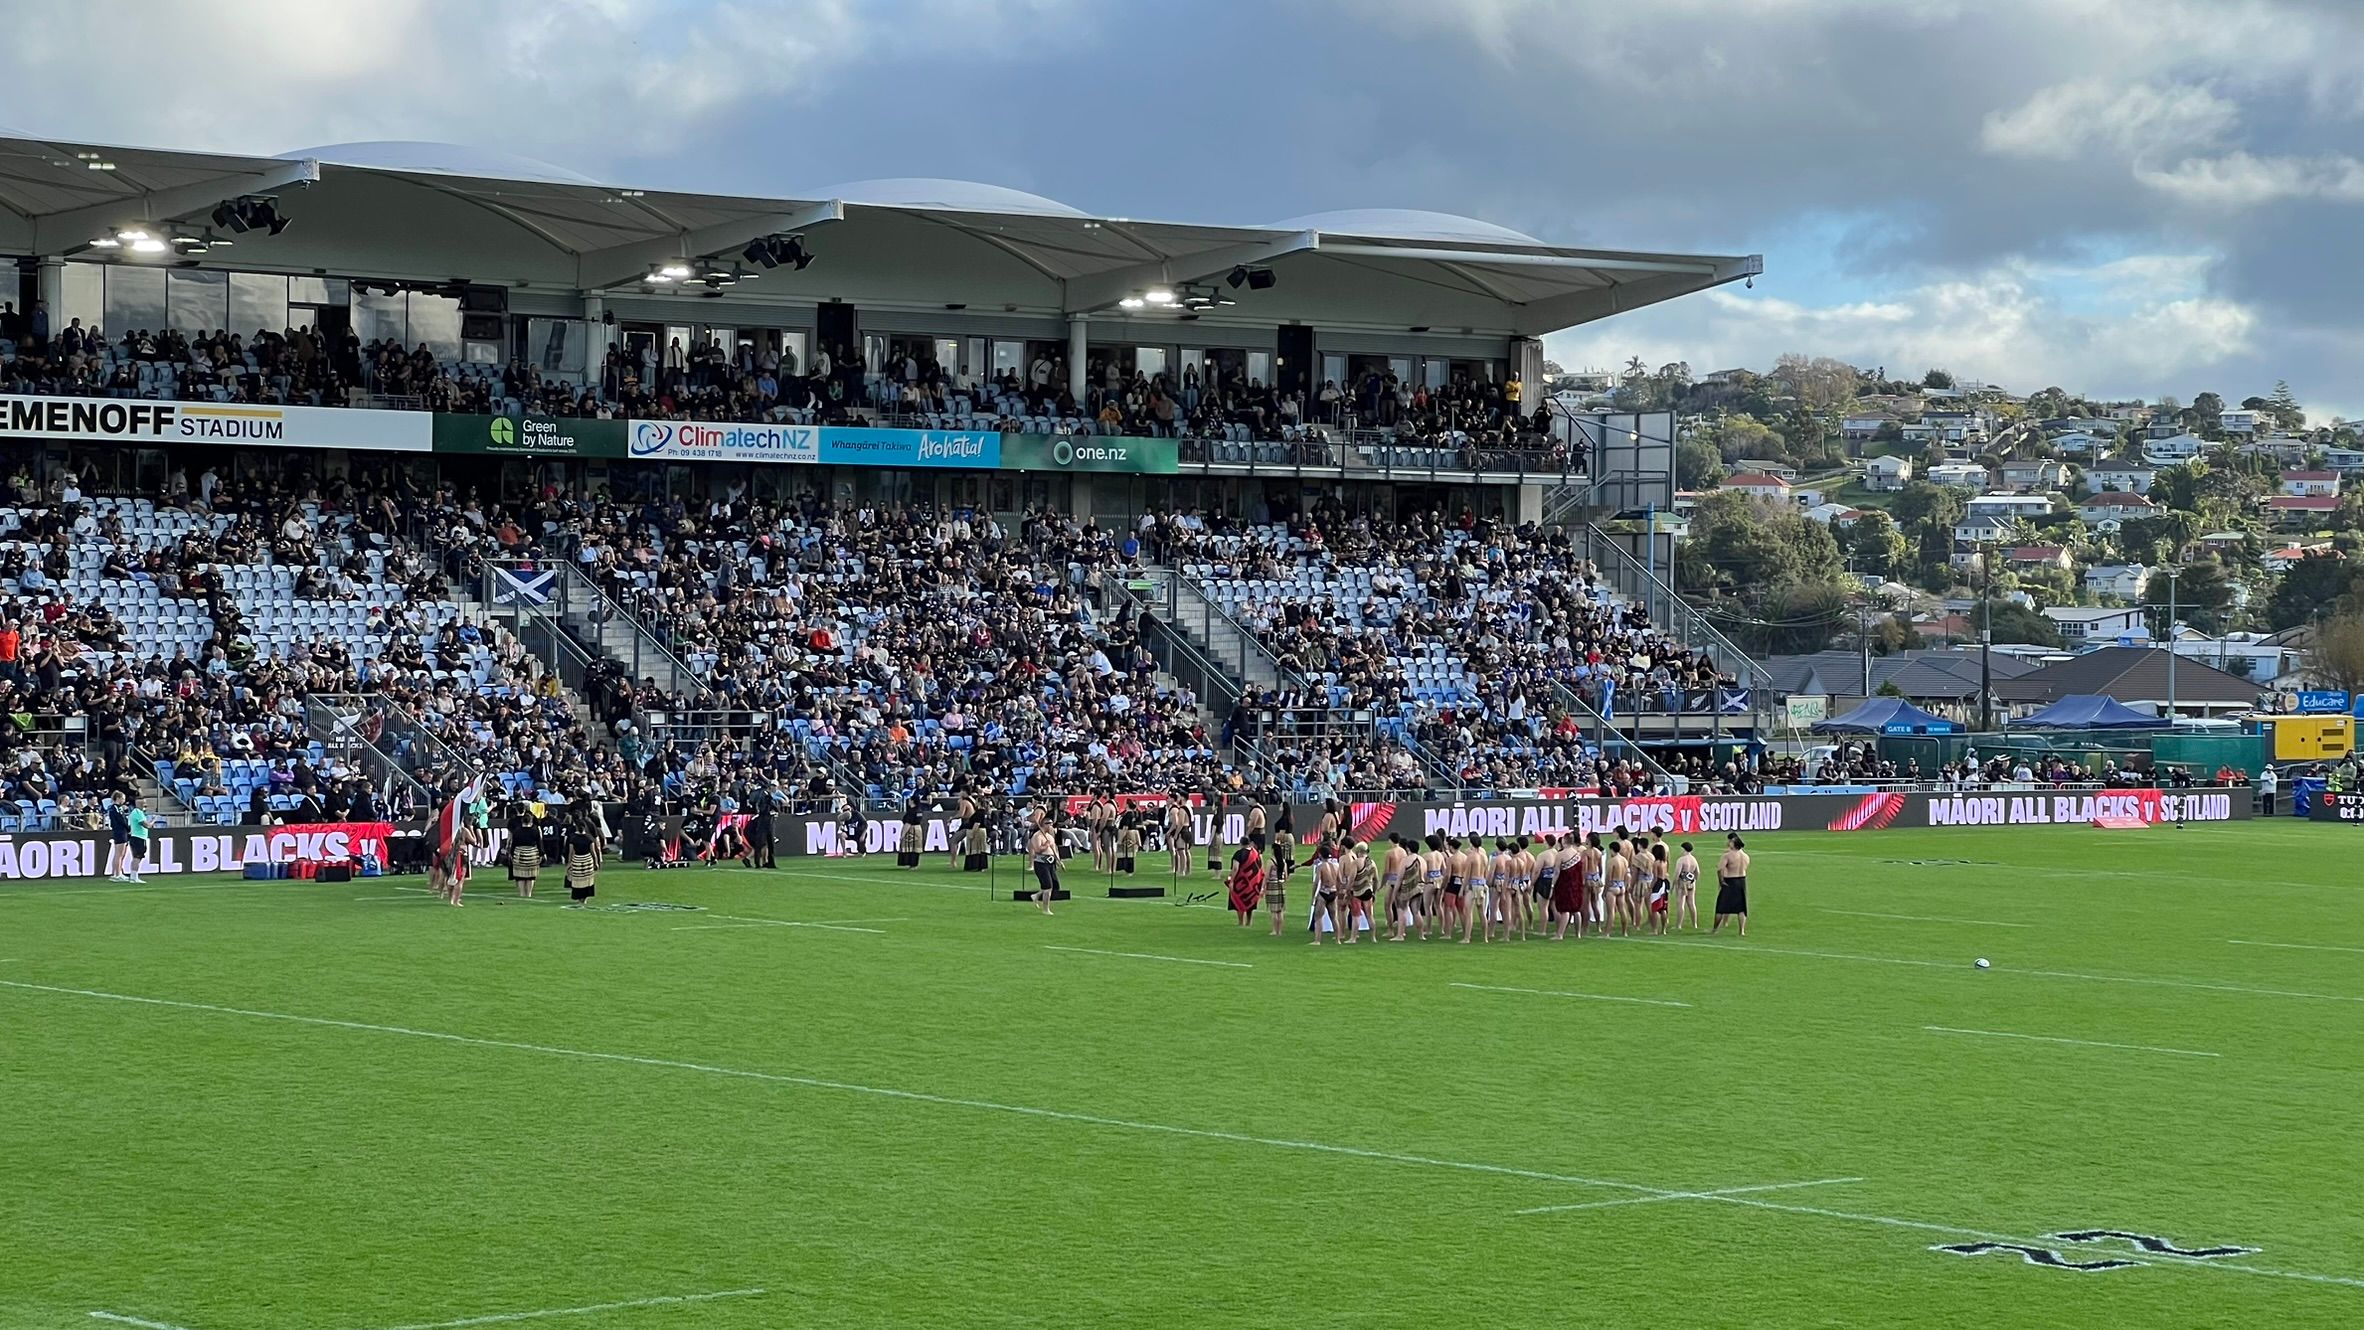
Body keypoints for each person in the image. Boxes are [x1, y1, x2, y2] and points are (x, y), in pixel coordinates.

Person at [1713, 833, 1750, 936]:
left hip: (1730, 880)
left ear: (1734, 844)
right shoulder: (1746, 856)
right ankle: (1741, 930)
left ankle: (1715, 929)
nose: (1728, 843)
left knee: (1721, 907)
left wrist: (1721, 881)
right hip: (1741, 880)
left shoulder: (1727, 855)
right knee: (1741, 907)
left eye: (1731, 842)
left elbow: (1720, 869)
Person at [1229, 830, 1265, 927]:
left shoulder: (1238, 854)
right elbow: (1260, 867)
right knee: (1250, 902)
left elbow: (1235, 868)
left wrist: (1232, 881)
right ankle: (1249, 922)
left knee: (1239, 901)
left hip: (1241, 882)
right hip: (1253, 882)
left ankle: (1241, 922)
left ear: (1241, 844)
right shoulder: (1256, 853)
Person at [564, 811, 601, 907]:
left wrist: (569, 863)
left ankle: (579, 898)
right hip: (587, 860)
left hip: (577, 860)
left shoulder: (573, 838)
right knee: (587, 880)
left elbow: (571, 853)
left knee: (578, 880)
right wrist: (596, 862)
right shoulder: (589, 838)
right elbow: (593, 852)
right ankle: (584, 899)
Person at [507, 800, 541, 898]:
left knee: (520, 875)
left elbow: (513, 843)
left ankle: (522, 894)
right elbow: (539, 842)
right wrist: (542, 853)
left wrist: (511, 853)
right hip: (532, 854)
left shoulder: (517, 830)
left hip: (519, 853)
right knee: (531, 875)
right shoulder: (535, 830)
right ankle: (528, 894)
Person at [1029, 819, 1061, 915]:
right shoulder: (1037, 836)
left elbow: (1054, 849)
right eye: (1049, 824)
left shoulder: (1050, 836)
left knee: (1055, 885)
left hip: (1051, 863)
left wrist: (1058, 861)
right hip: (1041, 863)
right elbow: (1037, 850)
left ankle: (1036, 896)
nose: (1051, 826)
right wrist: (1046, 845)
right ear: (1044, 825)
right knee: (1047, 886)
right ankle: (1045, 909)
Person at [1672, 841, 1701, 932]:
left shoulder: (1681, 860)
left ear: (1683, 849)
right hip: (1691, 883)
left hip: (1682, 883)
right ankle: (1694, 924)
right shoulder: (1694, 859)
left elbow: (1677, 873)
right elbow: (1697, 872)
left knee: (1681, 904)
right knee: (1692, 904)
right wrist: (1694, 880)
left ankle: (1679, 925)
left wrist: (1673, 884)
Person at [104, 796, 134, 882]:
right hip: (121, 831)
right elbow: (122, 819)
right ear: (118, 798)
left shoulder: (112, 808)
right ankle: (118, 874)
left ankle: (116, 873)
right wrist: (128, 828)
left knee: (119, 854)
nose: (124, 800)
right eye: (123, 798)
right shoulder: (117, 808)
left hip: (118, 831)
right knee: (119, 854)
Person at [1165, 794, 1194, 877]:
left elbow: (1180, 823)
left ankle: (1182, 871)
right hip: (1187, 829)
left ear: (1183, 798)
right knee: (1186, 851)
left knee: (1181, 851)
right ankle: (1188, 870)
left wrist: (1176, 834)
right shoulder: (1188, 807)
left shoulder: (1182, 809)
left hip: (1183, 830)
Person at [123, 798, 150, 884]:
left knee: (136, 857)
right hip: (138, 837)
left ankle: (133, 876)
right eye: (144, 804)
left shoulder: (134, 813)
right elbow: (146, 825)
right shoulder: (138, 812)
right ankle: (134, 877)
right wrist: (153, 820)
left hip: (136, 837)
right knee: (137, 857)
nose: (145, 805)